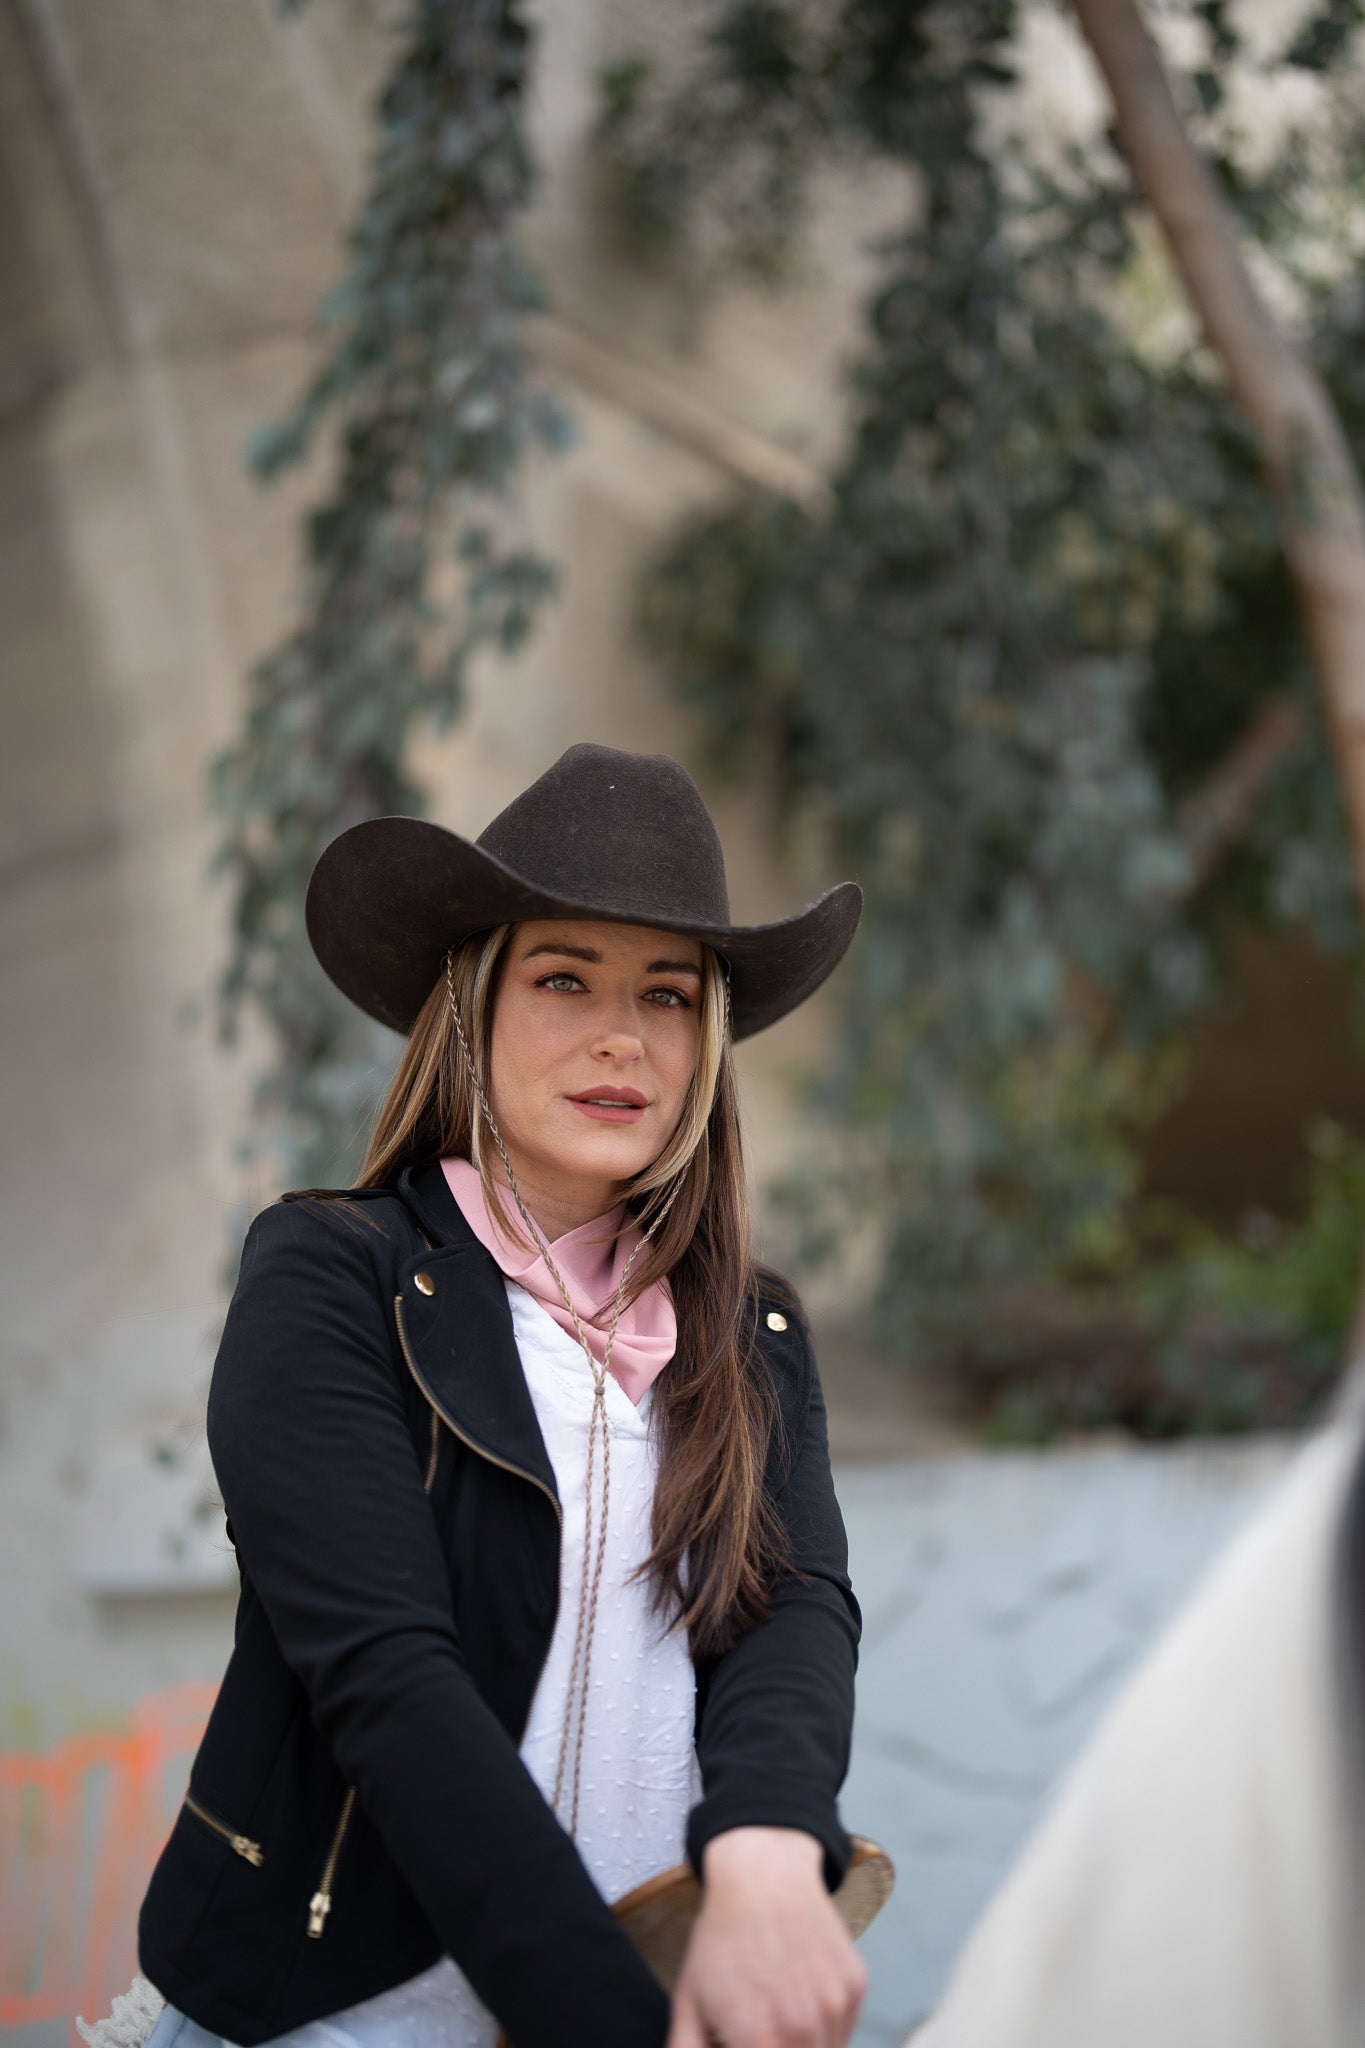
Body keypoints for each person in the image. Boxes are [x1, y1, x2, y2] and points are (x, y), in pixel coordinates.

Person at [132, 743, 869, 2048]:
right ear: (468, 1005)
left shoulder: (752, 1329)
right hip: (328, 2022)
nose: (618, 1036)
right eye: (563, 977)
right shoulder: (329, 1279)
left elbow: (792, 1611)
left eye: (667, 995)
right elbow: (387, 1682)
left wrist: (765, 1854)